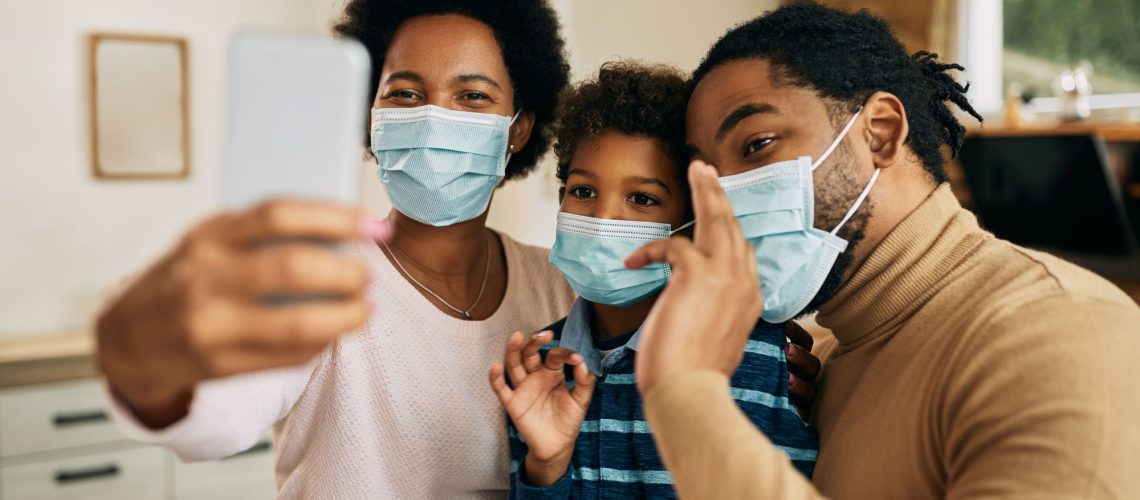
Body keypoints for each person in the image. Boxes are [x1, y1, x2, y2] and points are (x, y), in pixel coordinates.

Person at [625, 2, 1140, 498]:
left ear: (880, 132)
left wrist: (687, 394)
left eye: (757, 144)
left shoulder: (1062, 337)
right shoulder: (814, 371)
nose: (722, 196)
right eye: (704, 173)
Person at [97, 1, 575, 497]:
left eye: (472, 95)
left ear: (517, 129)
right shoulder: (315, 277)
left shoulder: (558, 291)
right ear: (371, 117)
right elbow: (214, 418)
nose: (434, 118)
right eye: (406, 93)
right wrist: (147, 359)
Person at [487, 63, 818, 499]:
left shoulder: (749, 351)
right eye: (583, 191)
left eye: (642, 198)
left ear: (691, 221)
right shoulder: (541, 365)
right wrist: (546, 465)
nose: (604, 217)